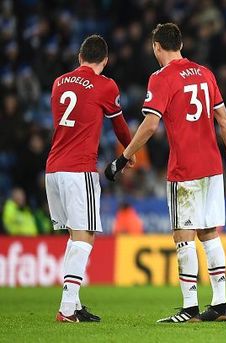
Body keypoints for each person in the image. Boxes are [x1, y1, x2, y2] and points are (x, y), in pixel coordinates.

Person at [105, 23, 226, 323]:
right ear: (180, 44)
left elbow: (150, 124)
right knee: (209, 234)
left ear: (157, 47)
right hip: (212, 166)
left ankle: (191, 307)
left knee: (183, 235)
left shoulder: (161, 77)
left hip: (184, 169)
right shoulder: (205, 73)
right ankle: (220, 304)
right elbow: (224, 119)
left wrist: (123, 157)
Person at [45, 35, 134, 323]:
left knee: (74, 235)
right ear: (105, 60)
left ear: (79, 56)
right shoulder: (105, 85)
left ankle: (75, 304)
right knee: (85, 236)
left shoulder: (59, 83)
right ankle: (68, 308)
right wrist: (129, 151)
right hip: (78, 169)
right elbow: (119, 125)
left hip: (53, 170)